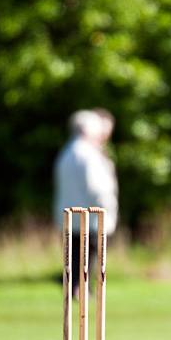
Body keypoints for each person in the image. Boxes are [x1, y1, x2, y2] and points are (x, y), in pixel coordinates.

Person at [54, 109, 118, 298]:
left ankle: (77, 290)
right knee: (85, 260)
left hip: (69, 217)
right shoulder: (88, 154)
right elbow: (97, 188)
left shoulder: (67, 151)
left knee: (76, 259)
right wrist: (107, 208)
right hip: (89, 218)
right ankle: (81, 292)